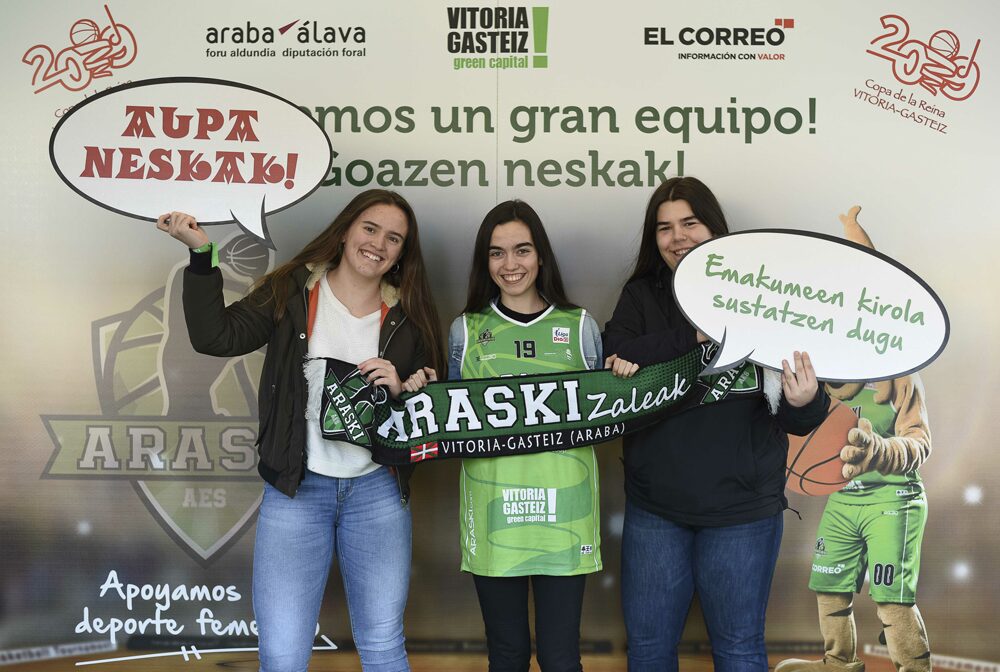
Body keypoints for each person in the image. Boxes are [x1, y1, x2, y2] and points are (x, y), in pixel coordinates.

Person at [157, 189, 444, 672]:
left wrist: (406, 386)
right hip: (296, 490)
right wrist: (201, 255)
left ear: (402, 254)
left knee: (382, 647)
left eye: (394, 238)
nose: (378, 244)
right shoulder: (292, 289)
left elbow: (432, 409)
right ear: (347, 229)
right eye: (370, 229)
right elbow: (215, 337)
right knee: (284, 655)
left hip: (378, 491)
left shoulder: (408, 314)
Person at [603, 177, 828, 672]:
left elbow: (800, 415)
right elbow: (617, 353)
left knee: (740, 651)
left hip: (743, 511)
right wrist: (700, 334)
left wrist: (806, 399)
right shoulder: (643, 295)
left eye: (689, 223)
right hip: (657, 508)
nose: (676, 237)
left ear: (715, 227)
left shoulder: (765, 294)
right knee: (648, 652)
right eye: (663, 228)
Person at [445, 200, 602, 672]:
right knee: (507, 654)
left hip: (567, 513)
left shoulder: (579, 326)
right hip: (495, 517)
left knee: (560, 657)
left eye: (522, 250)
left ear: (541, 256)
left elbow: (606, 411)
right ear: (484, 262)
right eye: (496, 253)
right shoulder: (466, 331)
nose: (510, 265)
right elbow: (449, 415)